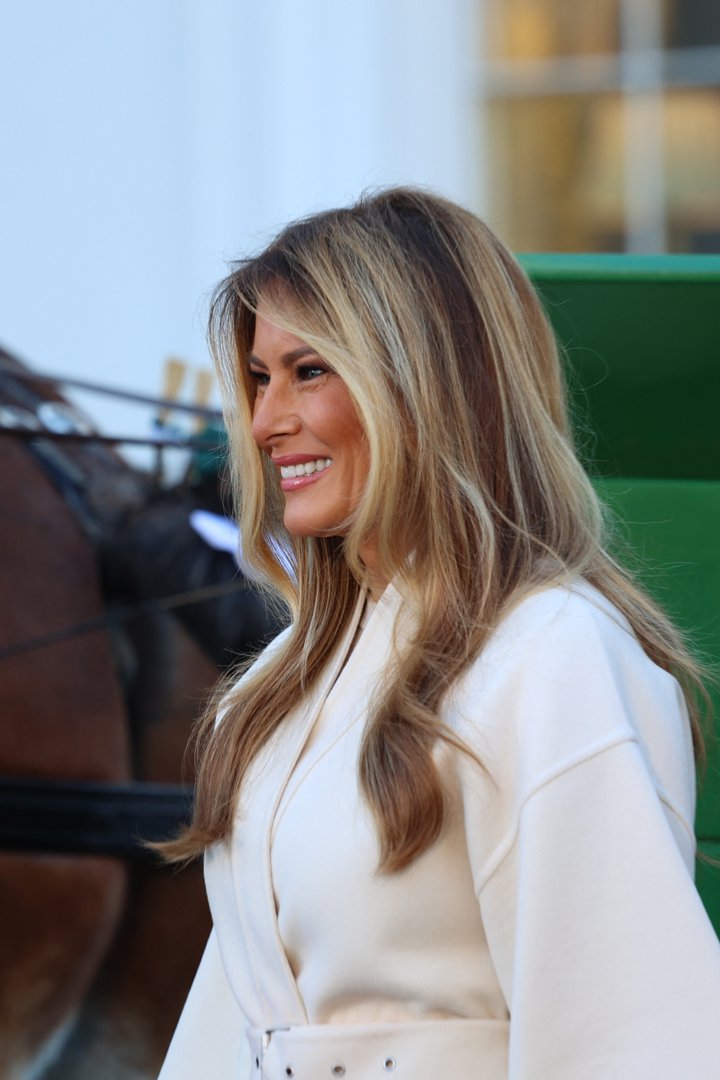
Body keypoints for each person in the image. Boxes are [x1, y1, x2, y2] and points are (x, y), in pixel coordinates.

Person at [158, 188, 720, 1079]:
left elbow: (632, 1038)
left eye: (309, 371)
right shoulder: (273, 686)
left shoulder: (550, 656)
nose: (265, 422)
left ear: (422, 382)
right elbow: (240, 1025)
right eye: (260, 380)